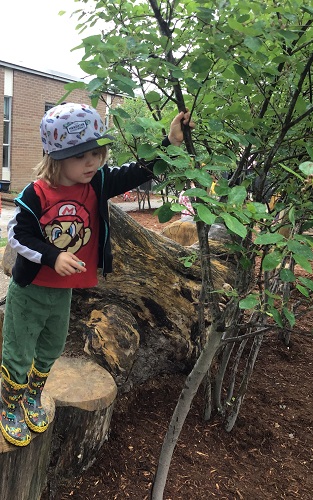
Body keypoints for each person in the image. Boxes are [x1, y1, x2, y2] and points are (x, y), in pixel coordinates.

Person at [0, 102, 193, 447]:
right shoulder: (37, 193)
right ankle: (10, 405)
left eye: (97, 153)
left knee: (51, 348)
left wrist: (171, 141)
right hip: (31, 290)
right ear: (56, 156)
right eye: (81, 156)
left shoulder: (98, 182)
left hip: (64, 291)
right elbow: (18, 235)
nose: (92, 162)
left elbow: (136, 173)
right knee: (20, 348)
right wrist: (52, 255)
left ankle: (32, 395)